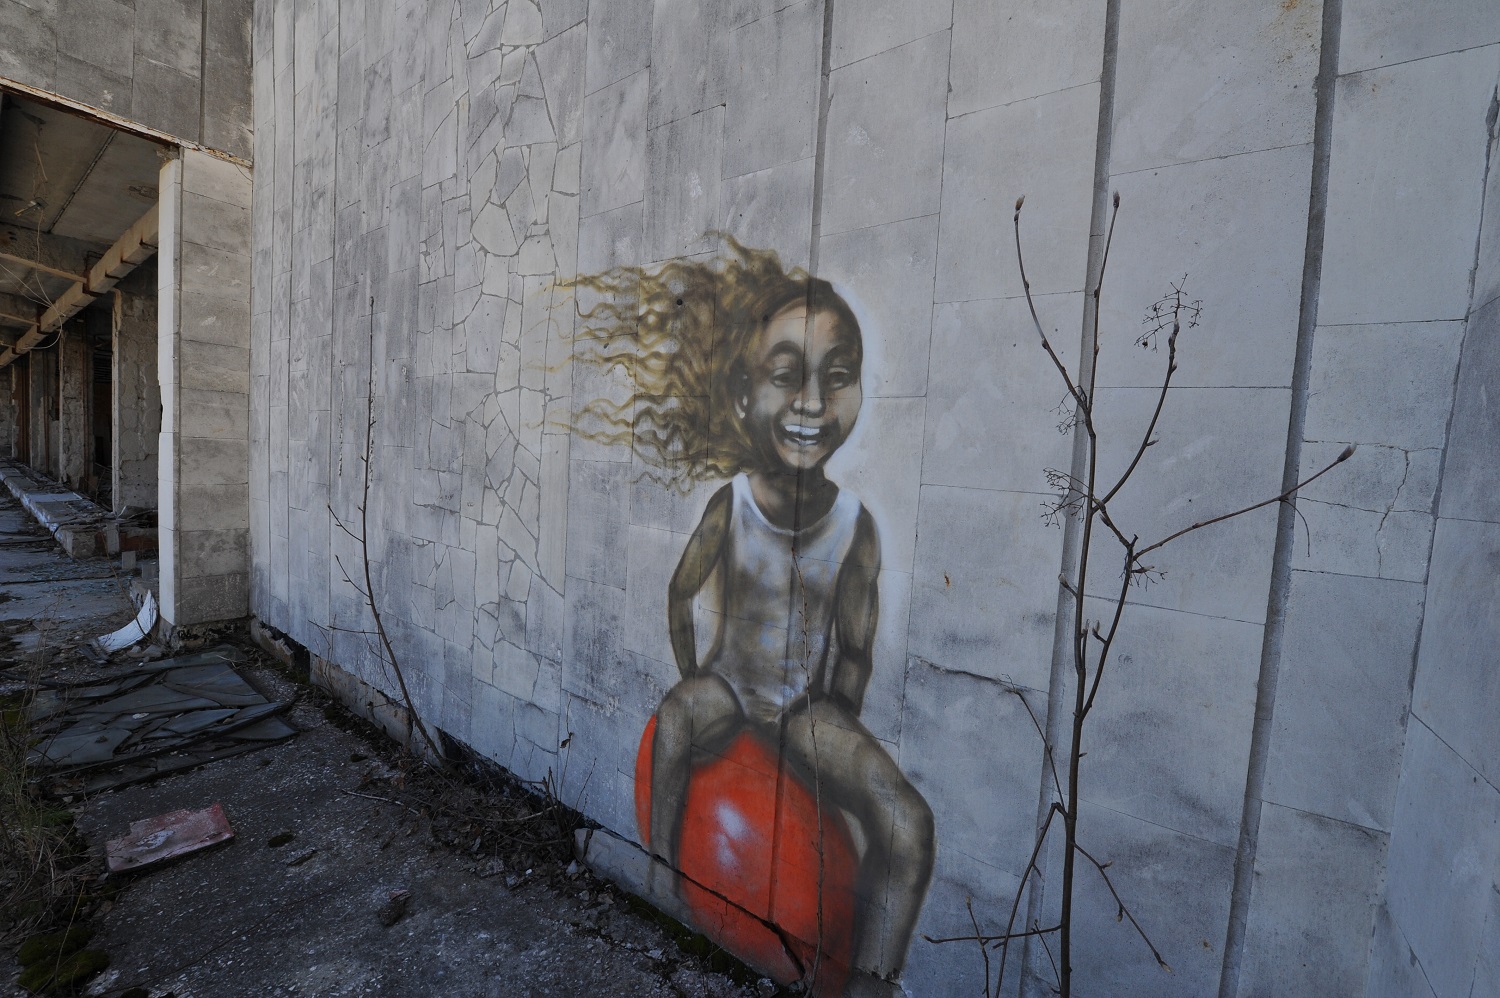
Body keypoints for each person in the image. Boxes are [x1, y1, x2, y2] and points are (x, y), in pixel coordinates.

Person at [570, 240, 934, 997]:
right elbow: (680, 592)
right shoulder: (730, 503)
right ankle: (663, 882)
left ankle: (871, 981)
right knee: (676, 721)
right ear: (743, 394)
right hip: (730, 687)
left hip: (804, 709)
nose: (813, 401)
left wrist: (830, 730)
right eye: (787, 375)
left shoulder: (856, 528)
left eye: (838, 376)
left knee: (907, 824)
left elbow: (856, 649)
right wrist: (694, 676)